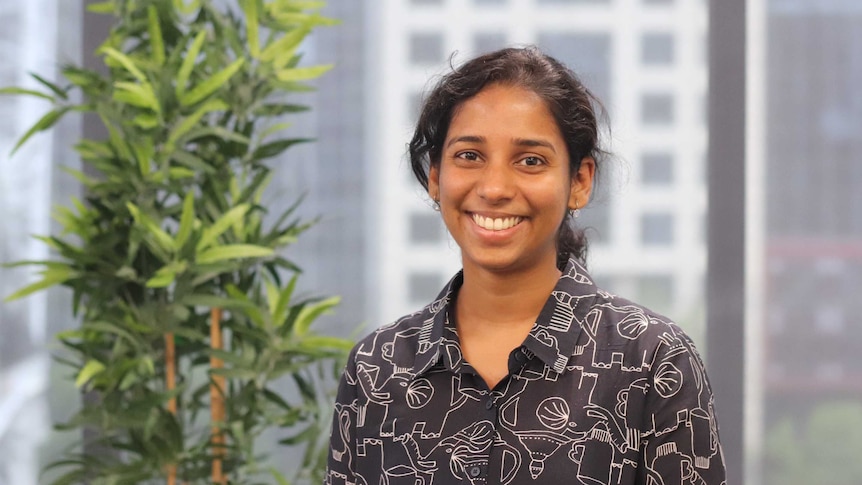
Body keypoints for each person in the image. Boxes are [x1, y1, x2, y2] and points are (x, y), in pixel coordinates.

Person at [325, 47, 726, 485]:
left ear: (580, 181)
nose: (495, 187)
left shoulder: (651, 360)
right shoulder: (377, 368)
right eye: (469, 156)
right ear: (436, 176)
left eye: (530, 161)